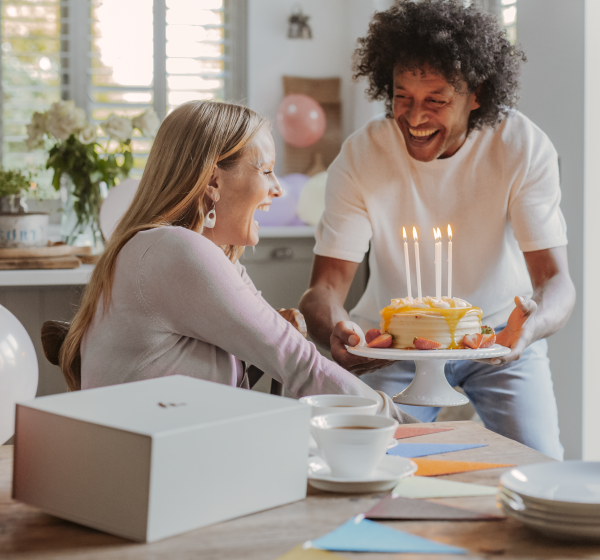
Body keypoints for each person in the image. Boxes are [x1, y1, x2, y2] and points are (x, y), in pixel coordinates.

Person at [299, 0, 576, 458]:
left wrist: (527, 329)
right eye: (401, 97)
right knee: (357, 461)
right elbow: (323, 290)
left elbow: (556, 283)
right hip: (392, 346)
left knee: (541, 465)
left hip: (494, 342)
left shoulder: (521, 146)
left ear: (477, 95)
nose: (414, 117)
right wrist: (337, 330)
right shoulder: (362, 155)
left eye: (437, 100)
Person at [58, 100, 409, 423]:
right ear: (213, 179)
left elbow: (284, 347)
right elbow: (298, 364)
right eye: (267, 170)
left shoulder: (185, 250)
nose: (278, 189)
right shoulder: (174, 249)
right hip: (148, 469)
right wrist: (400, 421)